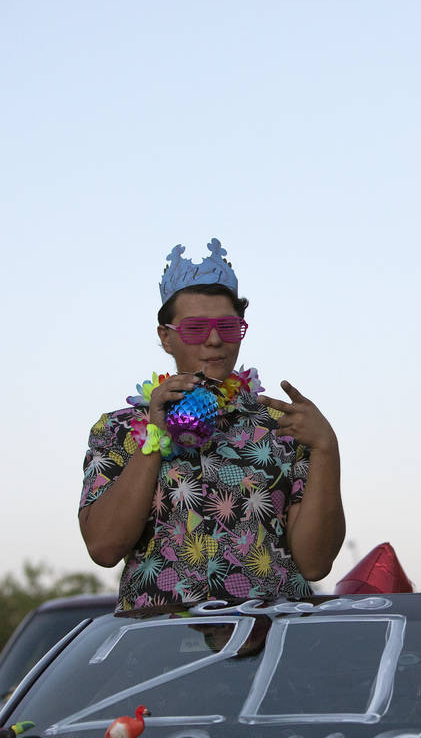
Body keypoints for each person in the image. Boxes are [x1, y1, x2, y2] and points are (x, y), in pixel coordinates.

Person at [79, 239, 345, 610]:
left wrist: (326, 449)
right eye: (196, 329)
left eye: (229, 327)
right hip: (160, 648)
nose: (216, 340)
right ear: (165, 337)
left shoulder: (284, 428)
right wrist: (154, 435)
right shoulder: (117, 430)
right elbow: (104, 548)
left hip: (267, 645)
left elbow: (315, 564)